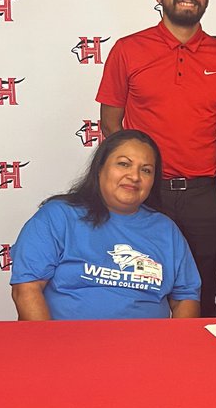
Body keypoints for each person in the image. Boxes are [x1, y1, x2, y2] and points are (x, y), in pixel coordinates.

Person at [97, 0, 216, 317]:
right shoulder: (128, 50)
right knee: (140, 286)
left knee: (200, 292)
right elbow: (110, 126)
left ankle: (200, 370)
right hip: (146, 193)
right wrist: (131, 182)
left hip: (202, 196)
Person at [11, 130, 200, 320]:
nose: (134, 176)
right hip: (68, 344)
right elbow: (27, 289)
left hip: (146, 346)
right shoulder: (58, 216)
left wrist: (174, 347)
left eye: (146, 170)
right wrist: (50, 346)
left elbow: (186, 298)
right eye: (124, 164)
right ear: (100, 168)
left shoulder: (166, 229)